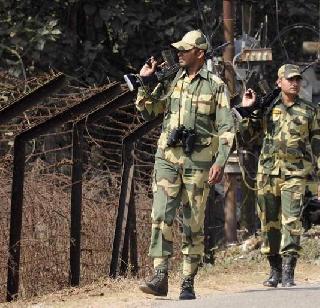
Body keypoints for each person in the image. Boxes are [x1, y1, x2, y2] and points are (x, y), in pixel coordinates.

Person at [134, 29, 235, 300]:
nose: (179, 53)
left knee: (193, 223)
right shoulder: (171, 80)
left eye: (185, 49)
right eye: (179, 49)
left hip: (199, 162)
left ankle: (188, 280)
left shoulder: (215, 85)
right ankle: (160, 276)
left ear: (199, 53)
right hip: (167, 158)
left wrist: (220, 162)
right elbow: (148, 111)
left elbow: (227, 127)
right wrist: (146, 82)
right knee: (160, 216)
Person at [240, 64, 320, 287]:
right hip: (267, 174)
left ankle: (288, 272)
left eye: (297, 79)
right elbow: (246, 135)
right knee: (269, 224)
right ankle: (274, 269)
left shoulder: (309, 110)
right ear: (279, 82)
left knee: (292, 221)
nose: (294, 83)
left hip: (295, 174)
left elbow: (318, 145)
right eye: (290, 79)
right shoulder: (267, 108)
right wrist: (248, 110)